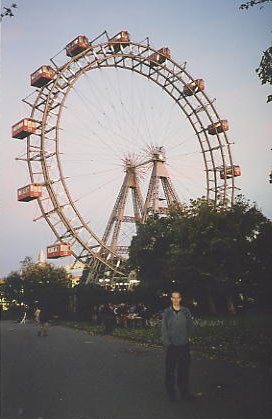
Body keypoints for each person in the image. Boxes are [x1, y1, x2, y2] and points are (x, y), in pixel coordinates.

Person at [161, 290, 195, 402]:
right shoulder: (167, 312)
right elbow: (164, 329)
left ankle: (184, 392)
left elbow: (190, 325)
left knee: (184, 371)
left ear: (180, 298)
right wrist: (168, 343)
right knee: (170, 371)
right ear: (171, 299)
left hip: (184, 346)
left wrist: (188, 337)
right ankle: (171, 394)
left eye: (178, 297)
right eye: (173, 298)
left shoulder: (186, 311)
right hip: (172, 346)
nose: (175, 300)